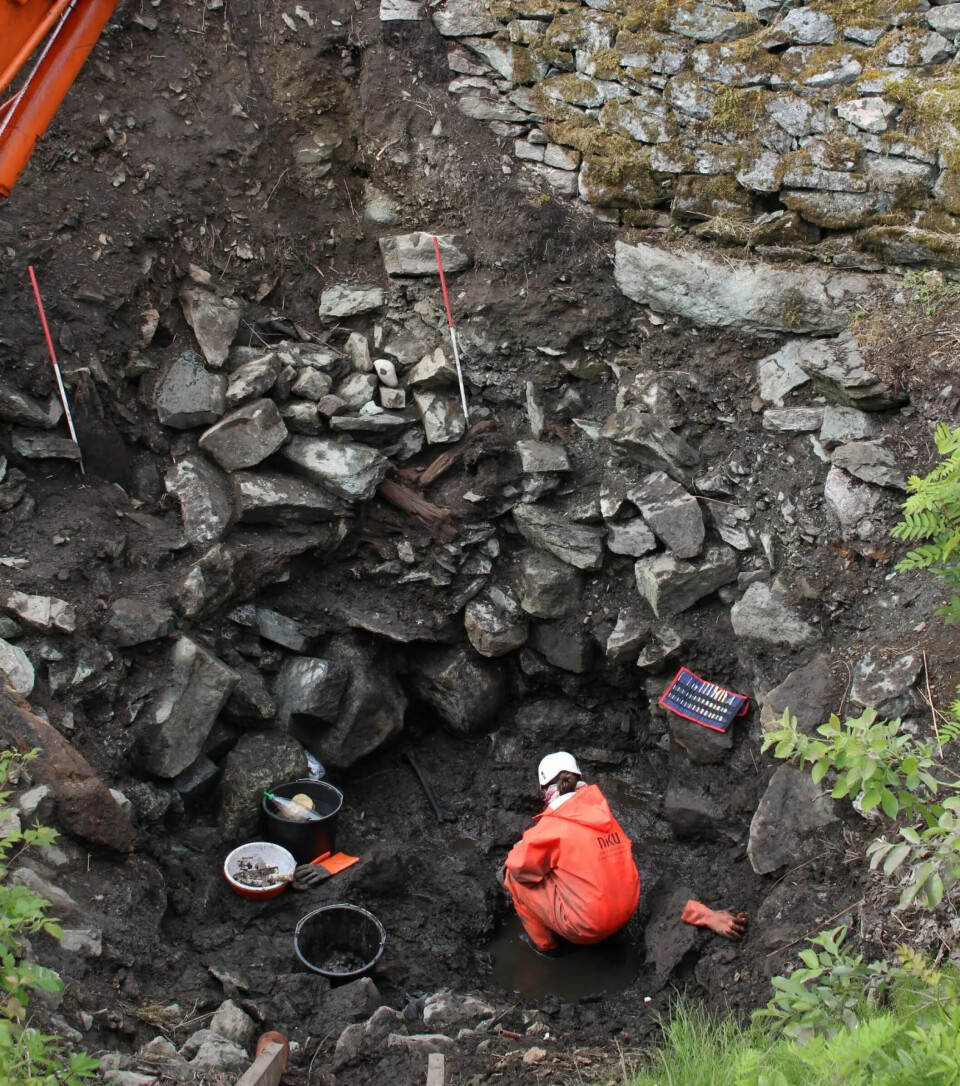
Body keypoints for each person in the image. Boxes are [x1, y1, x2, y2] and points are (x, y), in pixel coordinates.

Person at [502, 752, 747, 957]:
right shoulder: (602, 811)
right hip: (629, 906)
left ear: (545, 788)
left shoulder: (548, 829)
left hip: (588, 926)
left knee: (512, 879)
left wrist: (523, 848)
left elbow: (520, 869)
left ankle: (548, 948)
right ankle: (699, 914)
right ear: (578, 779)